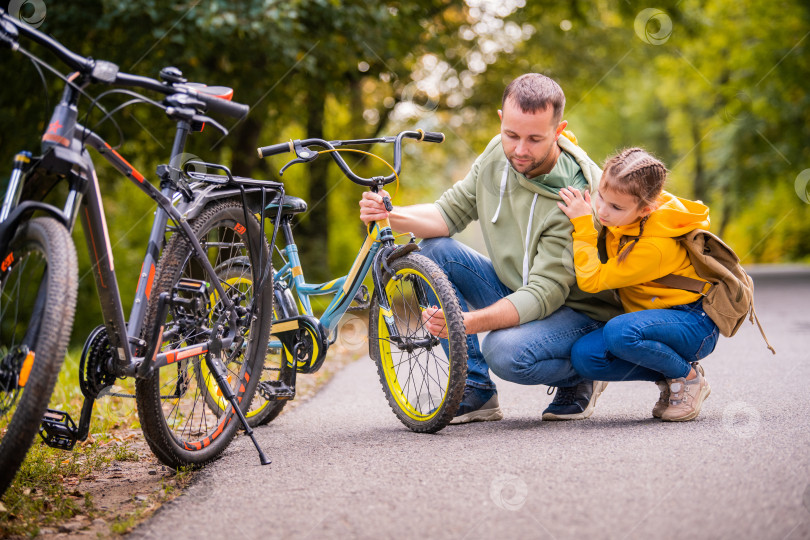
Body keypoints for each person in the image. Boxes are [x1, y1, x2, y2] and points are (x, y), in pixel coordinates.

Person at [359, 73, 621, 424]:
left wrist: (465, 322)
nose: (519, 150)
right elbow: (447, 214)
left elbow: (545, 293)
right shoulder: (498, 153)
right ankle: (476, 390)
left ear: (559, 131)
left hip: (576, 310)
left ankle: (581, 377)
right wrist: (391, 214)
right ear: (502, 120)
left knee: (504, 351)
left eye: (534, 139)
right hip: (517, 286)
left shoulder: (575, 194)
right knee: (433, 249)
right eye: (511, 135)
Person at [557, 147, 720, 421]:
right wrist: (559, 141)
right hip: (652, 321)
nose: (602, 212)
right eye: (601, 198)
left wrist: (583, 223)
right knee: (585, 357)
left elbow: (592, 280)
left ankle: (688, 378)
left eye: (615, 207)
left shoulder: (654, 247)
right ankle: (672, 373)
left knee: (619, 333)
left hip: (693, 323)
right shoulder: (629, 214)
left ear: (647, 209)